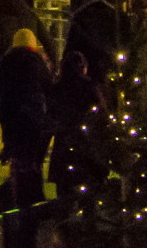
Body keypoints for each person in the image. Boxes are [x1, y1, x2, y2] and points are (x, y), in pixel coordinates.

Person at [0, 29, 53, 248]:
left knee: (18, 154)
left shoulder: (7, 62)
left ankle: (18, 191)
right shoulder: (37, 62)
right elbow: (48, 86)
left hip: (12, 117)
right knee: (33, 157)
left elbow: (0, 88)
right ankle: (35, 193)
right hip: (34, 117)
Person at [47, 50, 109, 200]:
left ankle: (65, 214)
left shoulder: (57, 88)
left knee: (65, 187)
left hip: (64, 143)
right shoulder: (90, 86)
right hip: (86, 142)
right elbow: (102, 112)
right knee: (89, 185)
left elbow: (50, 114)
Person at [0, 0, 54, 67]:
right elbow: (48, 41)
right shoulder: (30, 15)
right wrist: (55, 65)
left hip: (7, 65)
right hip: (30, 64)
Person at [63, 0, 120, 84]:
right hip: (111, 59)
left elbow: (72, 40)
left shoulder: (80, 15)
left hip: (88, 60)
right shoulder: (114, 13)